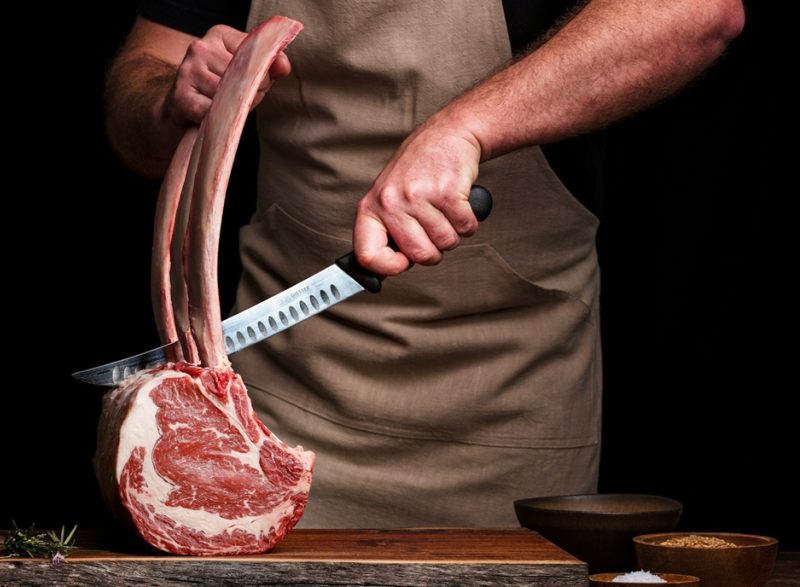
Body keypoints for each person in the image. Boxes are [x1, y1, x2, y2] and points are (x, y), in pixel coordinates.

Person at [105, 1, 744, 527]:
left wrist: (467, 127)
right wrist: (172, 99)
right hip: (274, 405)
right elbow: (141, 91)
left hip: (509, 406)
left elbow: (699, 11)